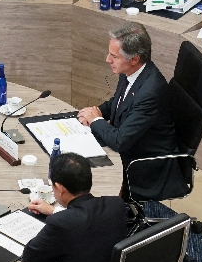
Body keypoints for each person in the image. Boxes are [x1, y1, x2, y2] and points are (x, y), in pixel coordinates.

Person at [77, 23, 181, 202]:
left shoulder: (150, 91)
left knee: (80, 173)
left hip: (144, 166)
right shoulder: (132, 72)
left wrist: (95, 121)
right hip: (130, 145)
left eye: (114, 56)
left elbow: (120, 141)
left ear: (134, 59)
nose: (107, 59)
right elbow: (118, 103)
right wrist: (97, 111)